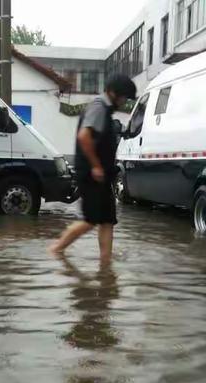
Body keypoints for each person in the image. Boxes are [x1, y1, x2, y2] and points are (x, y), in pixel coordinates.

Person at [49, 74, 137, 263]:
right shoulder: (98, 107)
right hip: (92, 175)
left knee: (107, 220)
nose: (124, 103)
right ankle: (56, 250)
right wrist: (96, 166)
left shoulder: (104, 110)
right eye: (123, 98)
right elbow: (84, 137)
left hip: (102, 176)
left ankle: (105, 263)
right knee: (90, 220)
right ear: (114, 93)